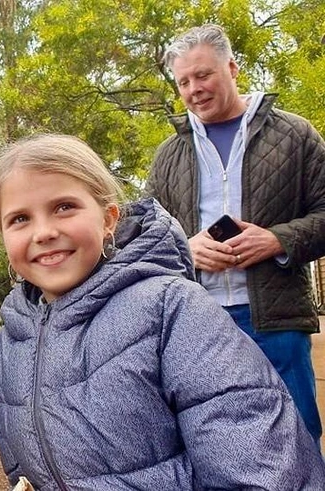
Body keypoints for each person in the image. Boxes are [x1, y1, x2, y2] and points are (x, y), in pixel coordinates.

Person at [0, 133, 324, 490]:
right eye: (19, 219)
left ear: (108, 218)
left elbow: (262, 469)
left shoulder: (172, 312)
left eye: (64, 207)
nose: (44, 232)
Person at [146, 23, 325, 444]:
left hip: (275, 318)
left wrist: (279, 239)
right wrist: (184, 249)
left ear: (232, 67)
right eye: (183, 81)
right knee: (214, 442)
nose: (194, 89)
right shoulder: (169, 154)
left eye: (203, 74)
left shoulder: (295, 136)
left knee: (295, 439)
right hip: (197, 321)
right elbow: (144, 233)